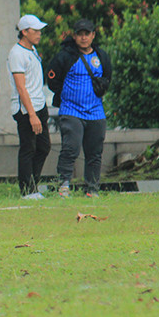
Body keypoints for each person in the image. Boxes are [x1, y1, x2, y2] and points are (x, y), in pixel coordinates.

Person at [46, 18, 113, 198]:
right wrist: (66, 94)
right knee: (71, 148)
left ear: (93, 35)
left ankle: (91, 188)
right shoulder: (65, 56)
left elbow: (108, 77)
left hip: (96, 111)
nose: (84, 38)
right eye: (80, 35)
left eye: (87, 34)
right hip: (71, 110)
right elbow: (52, 80)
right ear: (74, 36)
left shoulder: (101, 56)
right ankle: (64, 184)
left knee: (95, 152)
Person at [7, 14, 51, 199]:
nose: (39, 34)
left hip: (39, 105)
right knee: (29, 148)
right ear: (24, 32)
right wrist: (31, 115)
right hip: (26, 109)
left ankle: (33, 185)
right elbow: (21, 87)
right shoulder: (17, 53)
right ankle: (27, 190)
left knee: (44, 147)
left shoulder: (32, 50)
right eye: (35, 31)